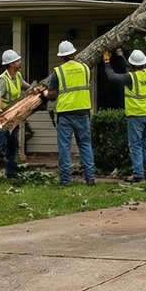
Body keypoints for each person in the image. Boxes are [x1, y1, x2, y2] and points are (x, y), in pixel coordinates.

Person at [41, 39, 96, 186]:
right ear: (74, 53)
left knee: (64, 147)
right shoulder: (85, 68)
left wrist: (44, 93)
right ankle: (90, 178)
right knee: (85, 145)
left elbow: (52, 94)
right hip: (83, 111)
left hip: (65, 113)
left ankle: (65, 180)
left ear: (61, 56)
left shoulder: (58, 72)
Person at [102, 48, 146, 182]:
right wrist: (121, 56)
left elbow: (112, 76)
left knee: (136, 145)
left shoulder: (130, 77)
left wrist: (106, 61)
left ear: (133, 65)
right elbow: (132, 67)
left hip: (136, 116)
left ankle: (138, 174)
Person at [0, 48, 29, 182]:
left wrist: (33, 88)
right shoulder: (2, 79)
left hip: (13, 114)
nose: (20, 62)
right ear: (11, 64)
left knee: (12, 143)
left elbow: (23, 85)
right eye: (18, 61)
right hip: (1, 115)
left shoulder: (18, 76)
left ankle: (10, 171)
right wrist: (0, 110)